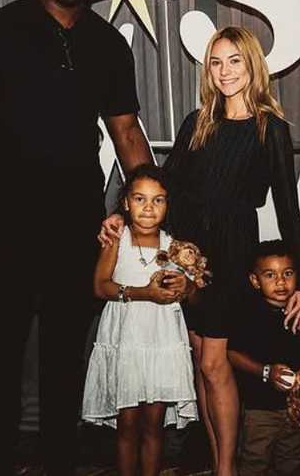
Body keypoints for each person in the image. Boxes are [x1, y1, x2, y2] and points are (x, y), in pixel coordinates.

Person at [0, 0, 152, 475]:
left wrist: (153, 204)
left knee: (64, 362)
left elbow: (127, 134)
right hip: (4, 223)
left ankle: (58, 464)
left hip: (76, 228)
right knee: (1, 358)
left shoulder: (108, 45)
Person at [101, 26, 300, 476]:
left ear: (252, 65)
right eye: (216, 62)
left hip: (233, 252)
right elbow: (166, 184)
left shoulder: (270, 129)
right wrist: (124, 208)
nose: (224, 71)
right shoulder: (197, 123)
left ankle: (225, 470)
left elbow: (290, 209)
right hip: (188, 252)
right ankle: (221, 462)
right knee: (200, 357)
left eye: (234, 60)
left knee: (216, 362)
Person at [82, 164, 198, 476]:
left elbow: (193, 293)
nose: (149, 208)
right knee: (127, 428)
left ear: (168, 205)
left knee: (153, 428)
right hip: (127, 341)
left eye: (158, 200)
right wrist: (144, 293)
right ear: (125, 203)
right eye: (140, 199)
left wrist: (185, 287)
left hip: (161, 342)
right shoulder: (116, 238)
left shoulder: (174, 245)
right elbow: (100, 285)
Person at [227, 241, 300, 476]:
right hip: (259, 409)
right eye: (270, 275)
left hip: (298, 406)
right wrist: (266, 371)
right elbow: (232, 354)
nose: (281, 282)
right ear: (255, 281)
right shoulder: (248, 313)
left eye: (287, 273)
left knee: (292, 461)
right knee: (254, 461)